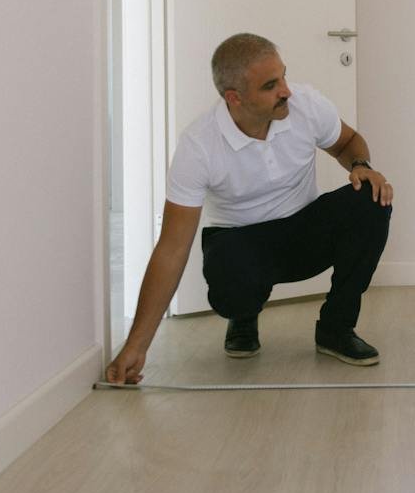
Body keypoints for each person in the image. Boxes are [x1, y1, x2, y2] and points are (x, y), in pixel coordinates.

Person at [105, 33, 393, 385]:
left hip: (305, 228)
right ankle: (243, 314)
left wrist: (360, 164)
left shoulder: (305, 104)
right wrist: (137, 345)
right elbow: (171, 248)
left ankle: (336, 328)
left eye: (283, 76)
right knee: (231, 280)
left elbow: (348, 142)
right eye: (271, 85)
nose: (286, 90)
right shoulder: (199, 146)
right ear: (234, 98)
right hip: (240, 241)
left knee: (371, 199)